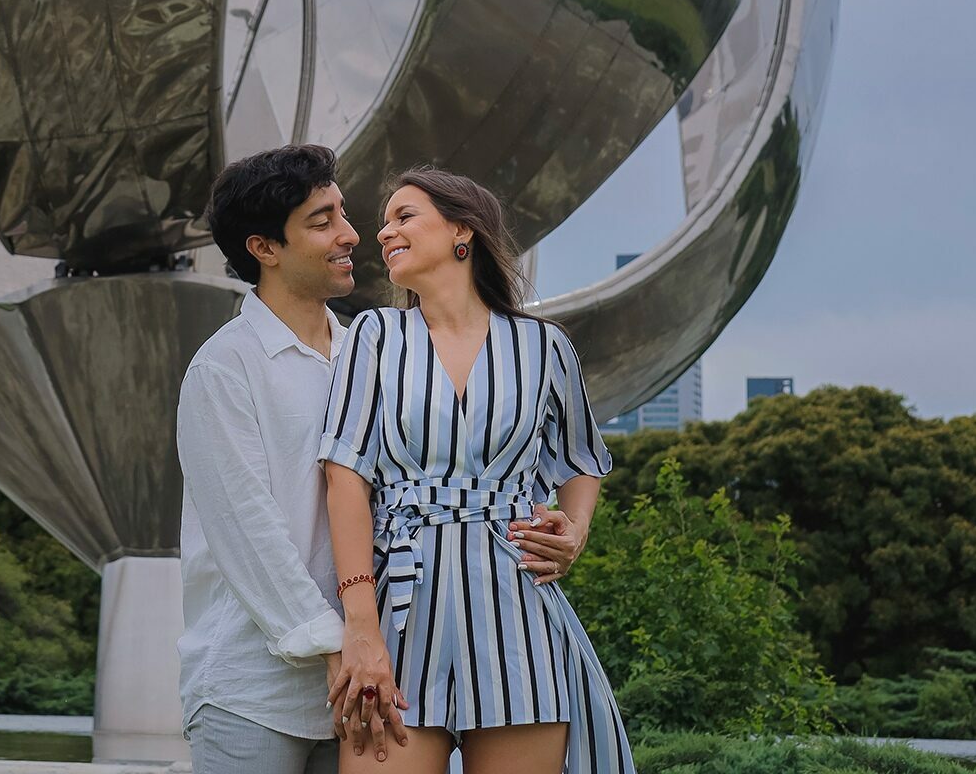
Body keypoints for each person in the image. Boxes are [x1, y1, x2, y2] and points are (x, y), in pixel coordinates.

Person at [319, 168, 634, 774]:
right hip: (399, 621)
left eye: (404, 216)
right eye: (384, 222)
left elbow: (583, 460)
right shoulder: (374, 336)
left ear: (462, 230)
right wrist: (360, 629)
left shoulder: (544, 347)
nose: (383, 233)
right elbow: (344, 478)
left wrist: (574, 532)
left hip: (518, 615)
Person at [176, 144, 365, 774]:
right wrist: (338, 649)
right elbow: (247, 530)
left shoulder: (367, 357)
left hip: (366, 686)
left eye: (342, 213)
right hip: (251, 694)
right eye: (322, 221)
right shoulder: (224, 368)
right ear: (264, 248)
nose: (349, 234)